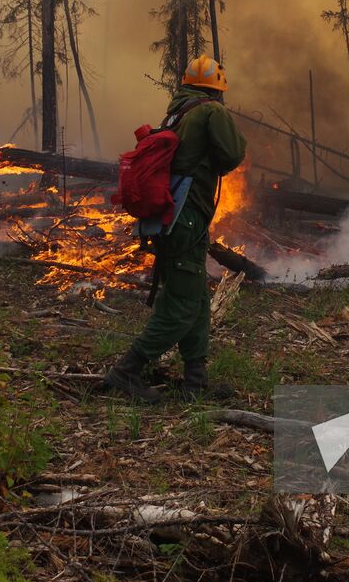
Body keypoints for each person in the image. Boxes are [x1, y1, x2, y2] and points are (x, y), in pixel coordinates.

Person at [102, 55, 247, 402]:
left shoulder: (177, 113)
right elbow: (232, 156)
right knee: (182, 303)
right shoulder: (212, 111)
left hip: (172, 218)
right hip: (186, 217)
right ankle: (125, 372)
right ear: (219, 88)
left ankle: (195, 382)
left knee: (195, 299)